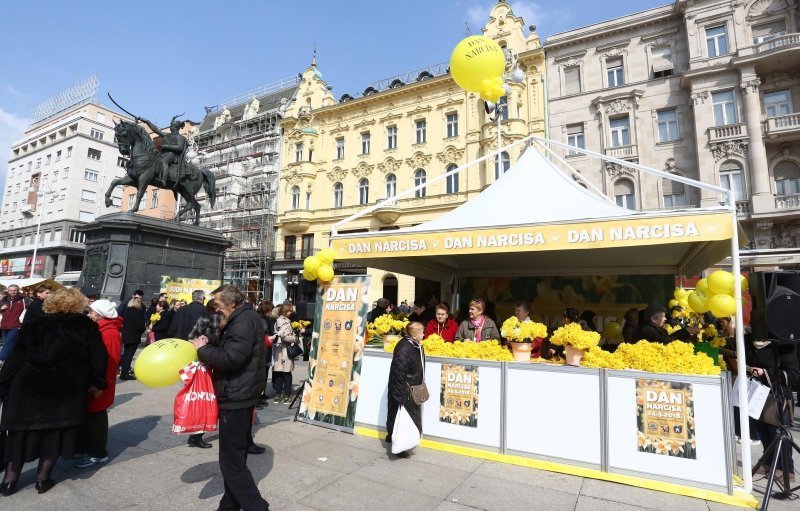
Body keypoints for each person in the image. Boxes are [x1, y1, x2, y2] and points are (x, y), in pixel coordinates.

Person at [0, 288, 107, 495]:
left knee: (21, 434)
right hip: (65, 389)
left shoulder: (34, 325)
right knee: (54, 434)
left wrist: (3, 384)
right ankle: (42, 479)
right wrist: (98, 382)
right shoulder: (86, 326)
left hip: (29, 387)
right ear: (76, 304)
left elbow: (16, 358)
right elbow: (98, 357)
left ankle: (9, 481)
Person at [191, 285, 269, 511]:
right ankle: (229, 506)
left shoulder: (243, 321)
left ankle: (257, 507)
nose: (216, 308)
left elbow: (230, 358)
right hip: (240, 392)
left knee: (231, 462)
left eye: (217, 304)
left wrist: (202, 350)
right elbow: (233, 347)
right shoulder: (242, 318)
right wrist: (211, 342)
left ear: (231, 302)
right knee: (235, 456)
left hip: (236, 394)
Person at [76, 300, 123, 469]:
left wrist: (98, 385)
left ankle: (98, 453)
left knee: (97, 418)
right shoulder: (102, 329)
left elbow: (110, 362)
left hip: (100, 384)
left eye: (92, 312)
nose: (89, 315)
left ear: (101, 315)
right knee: (92, 417)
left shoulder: (109, 333)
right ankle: (89, 448)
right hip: (97, 382)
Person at [745, 336, 799, 481]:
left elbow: (793, 375)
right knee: (762, 429)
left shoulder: (784, 345)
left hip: (777, 396)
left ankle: (786, 468)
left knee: (777, 431)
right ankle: (769, 462)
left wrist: (765, 372)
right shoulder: (750, 343)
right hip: (758, 394)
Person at [386, 322, 426, 458]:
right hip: (405, 389)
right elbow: (398, 373)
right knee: (402, 418)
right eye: (422, 332)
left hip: (410, 388)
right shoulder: (405, 348)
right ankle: (399, 445)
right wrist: (401, 395)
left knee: (403, 416)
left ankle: (393, 437)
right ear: (414, 335)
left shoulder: (414, 345)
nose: (424, 334)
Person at [184, 299, 220, 450]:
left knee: (204, 399)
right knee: (209, 399)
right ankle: (196, 435)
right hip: (214, 361)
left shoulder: (202, 319)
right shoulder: (219, 320)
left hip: (202, 361)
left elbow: (191, 337)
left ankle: (196, 434)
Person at [139, 115, 189, 187]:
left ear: (175, 127)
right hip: (164, 153)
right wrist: (147, 122)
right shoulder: (167, 135)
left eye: (171, 126)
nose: (170, 127)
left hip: (172, 155)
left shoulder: (180, 137)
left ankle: (163, 180)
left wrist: (165, 146)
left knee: (163, 161)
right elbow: (156, 130)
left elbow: (180, 148)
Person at [272, 303, 302, 404]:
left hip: (279, 350)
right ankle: (287, 395)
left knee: (279, 373)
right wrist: (296, 339)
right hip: (285, 350)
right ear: (286, 311)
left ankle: (278, 394)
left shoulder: (278, 320)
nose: (291, 312)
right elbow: (285, 336)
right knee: (287, 373)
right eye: (290, 310)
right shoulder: (284, 322)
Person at [119, 295, 146, 381]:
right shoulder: (138, 312)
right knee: (129, 356)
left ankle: (123, 372)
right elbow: (139, 325)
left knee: (125, 355)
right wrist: (143, 328)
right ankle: (125, 373)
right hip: (134, 336)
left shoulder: (126, 311)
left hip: (126, 335)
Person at [0, 285, 29, 362]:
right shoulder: (4, 299)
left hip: (16, 325)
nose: (13, 292)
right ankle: (11, 360)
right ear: (8, 291)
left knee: (9, 342)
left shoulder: (24, 299)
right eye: (11, 290)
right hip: (5, 325)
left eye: (15, 290)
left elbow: (32, 307)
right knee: (9, 343)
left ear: (18, 290)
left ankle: (1, 358)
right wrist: (1, 308)